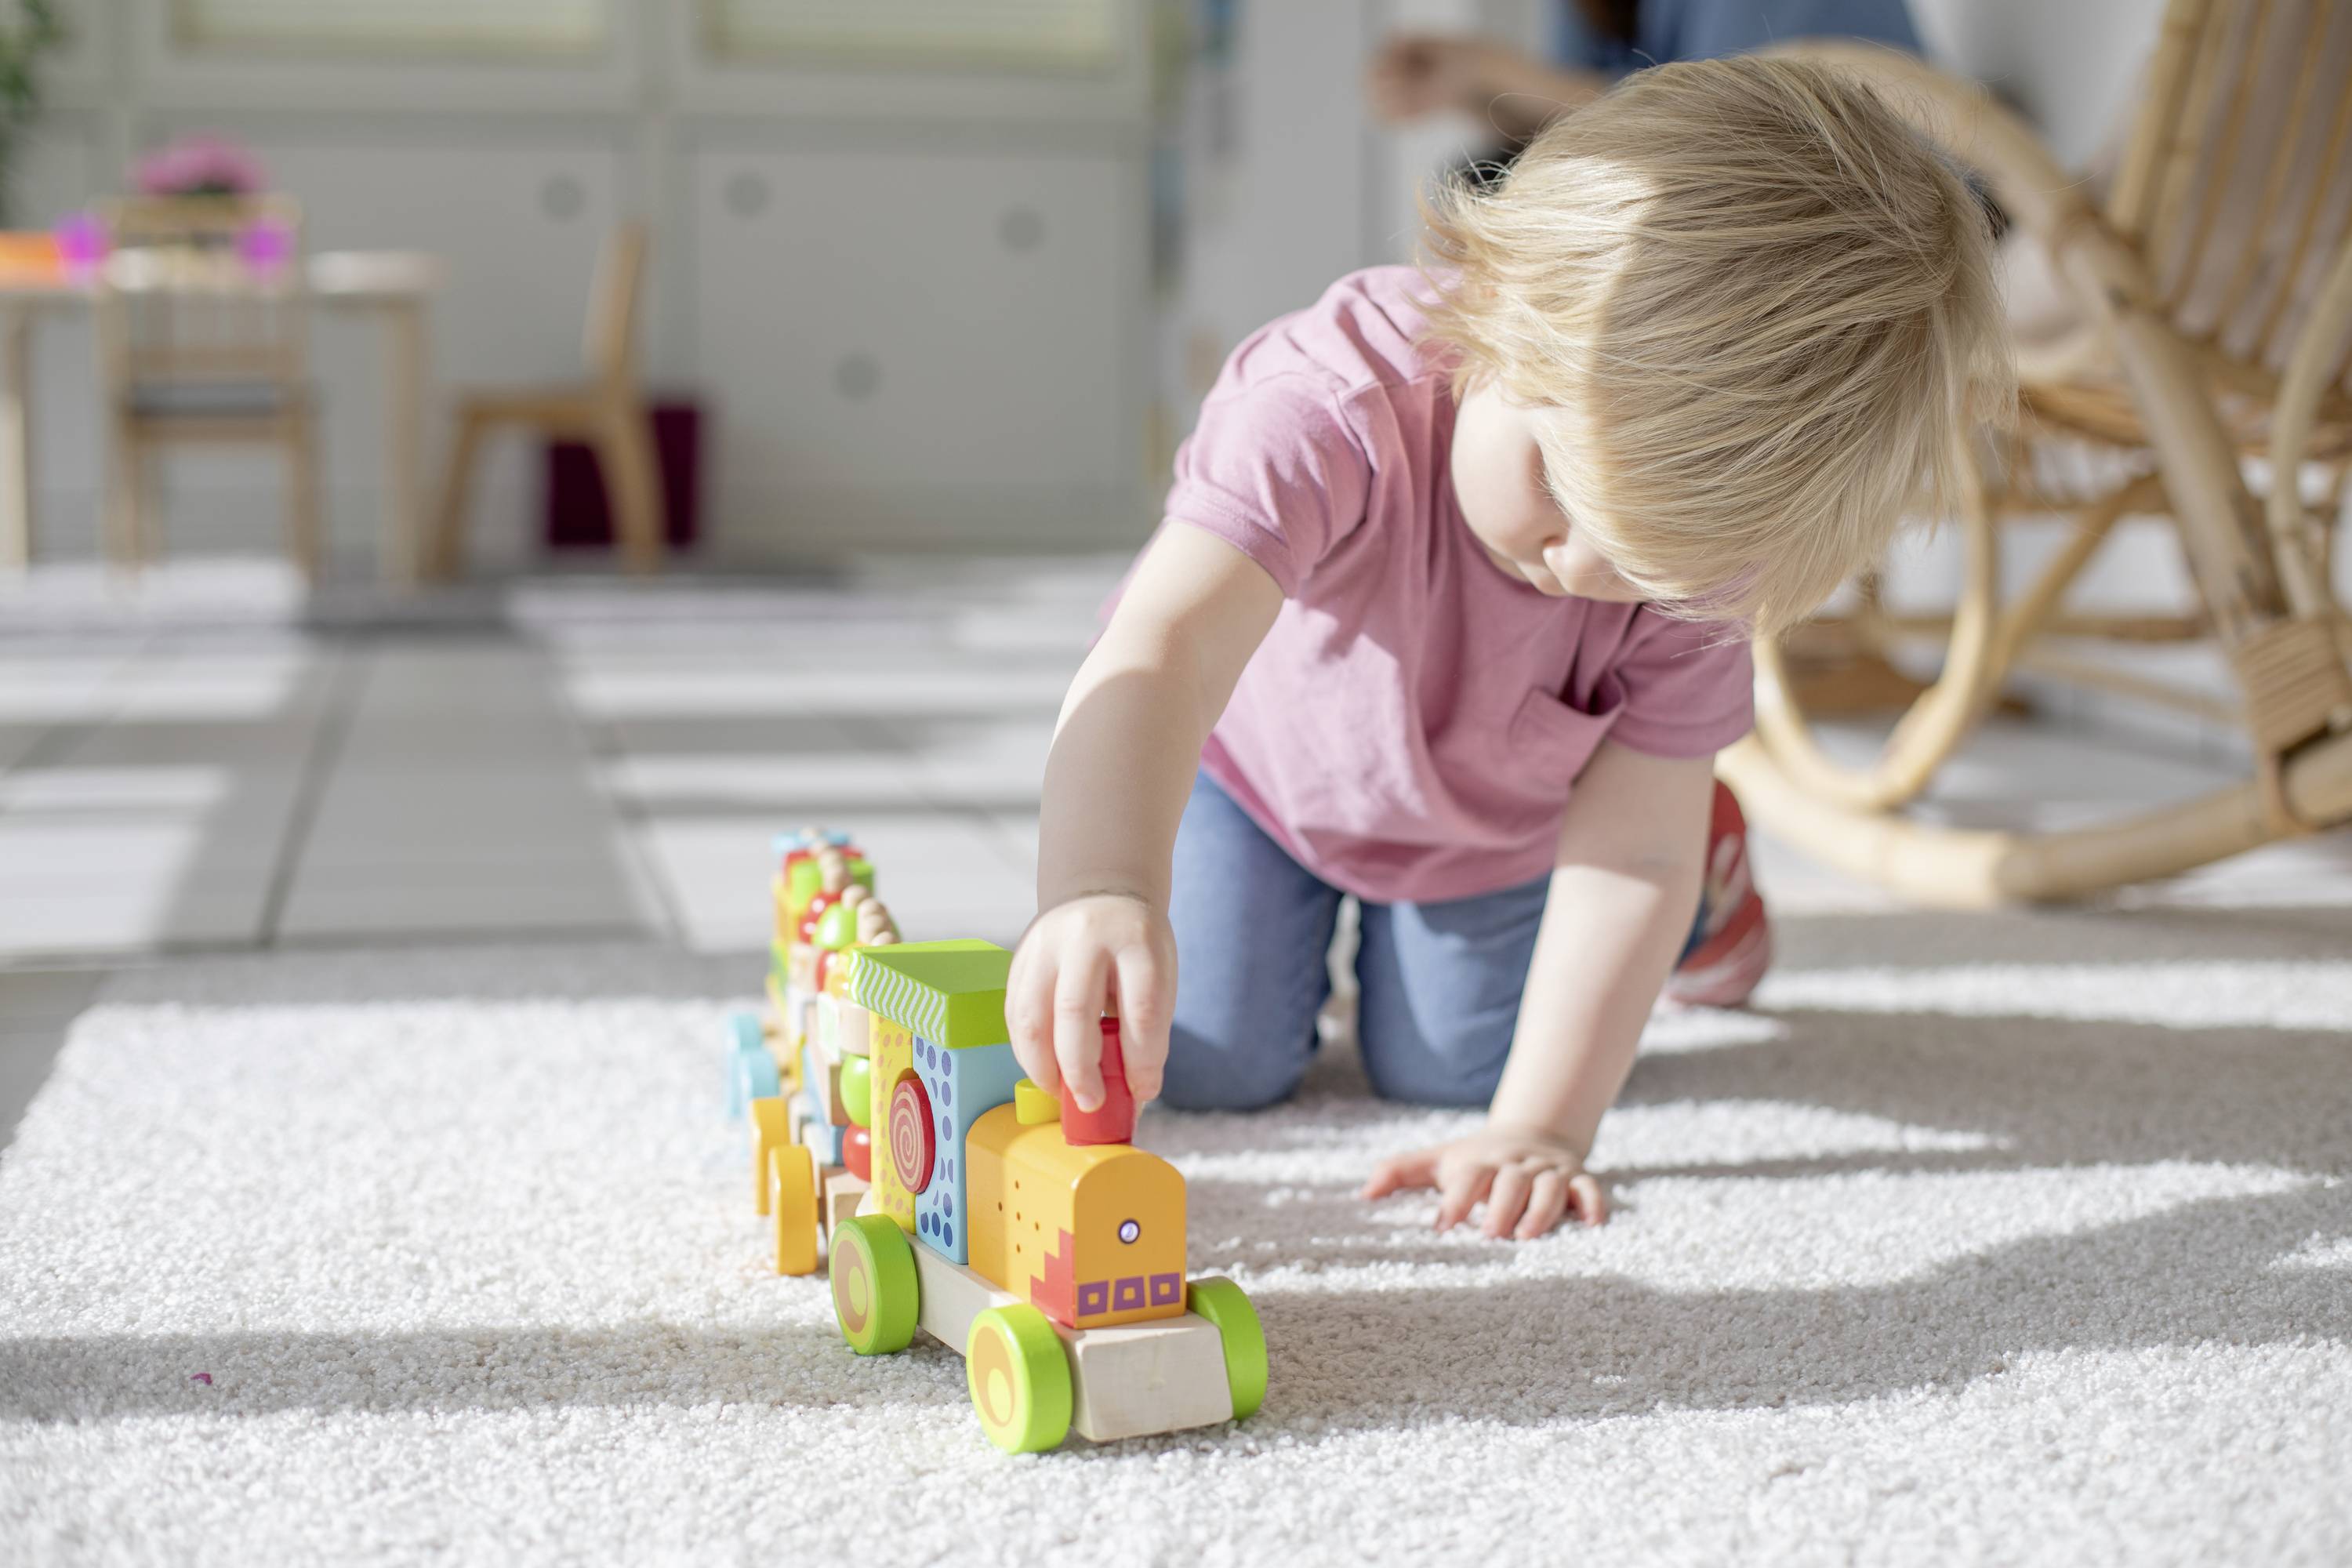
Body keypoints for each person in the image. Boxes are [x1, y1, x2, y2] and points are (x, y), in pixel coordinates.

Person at [1006, 58, 2009, 1242]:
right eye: (1554, 487)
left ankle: (1706, 878)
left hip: (1497, 825)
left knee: (1459, 1076)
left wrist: (1544, 1127)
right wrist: (1101, 888)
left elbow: (1628, 855)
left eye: (1644, 563)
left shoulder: (1707, 563)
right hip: (1258, 780)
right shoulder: (1327, 404)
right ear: (1494, 302)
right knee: (1203, 1060)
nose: (1580, 567)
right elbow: (1162, 652)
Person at [1368, 0, 1922, 146]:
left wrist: (1496, 68)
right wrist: (1471, 89)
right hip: (1750, 166)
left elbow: (1717, 128)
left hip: (1878, 187)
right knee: (1476, 180)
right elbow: (1580, 118)